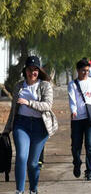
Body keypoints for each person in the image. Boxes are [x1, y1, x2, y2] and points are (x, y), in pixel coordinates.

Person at [3, 56, 55, 194]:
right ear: (25, 70)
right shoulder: (19, 86)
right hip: (21, 125)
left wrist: (29, 103)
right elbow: (14, 110)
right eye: (30, 69)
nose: (32, 72)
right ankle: (19, 191)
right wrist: (7, 129)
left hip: (40, 127)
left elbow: (47, 105)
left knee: (32, 163)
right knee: (21, 157)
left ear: (39, 71)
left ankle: (33, 189)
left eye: (35, 69)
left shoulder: (45, 85)